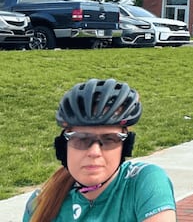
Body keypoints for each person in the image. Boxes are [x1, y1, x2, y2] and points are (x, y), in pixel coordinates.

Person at [23, 78, 176, 222]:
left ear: (125, 147)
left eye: (109, 139)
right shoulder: (40, 202)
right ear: (63, 147)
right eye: (82, 139)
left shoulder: (144, 181)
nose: (94, 152)